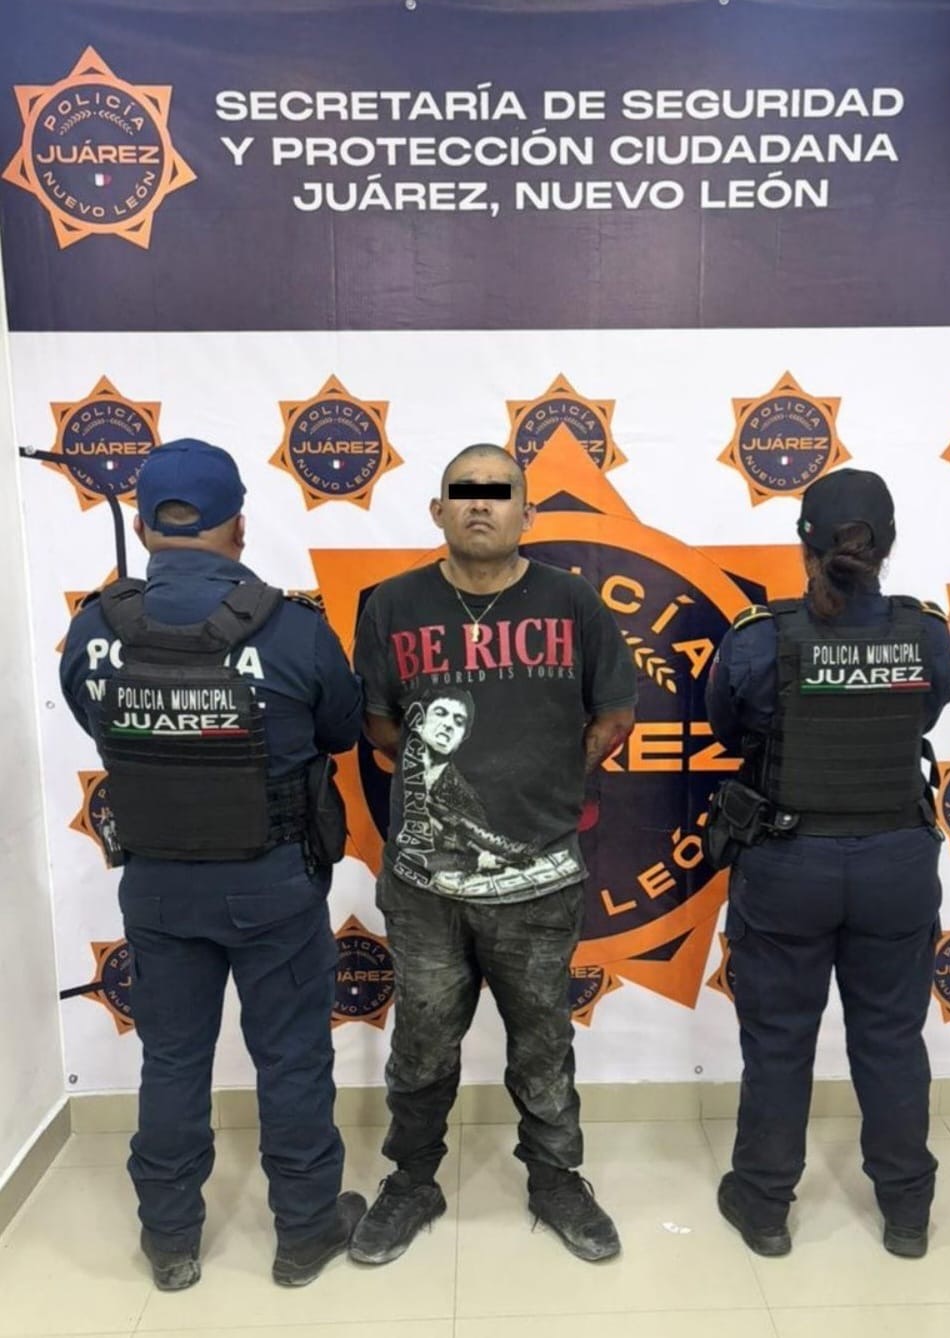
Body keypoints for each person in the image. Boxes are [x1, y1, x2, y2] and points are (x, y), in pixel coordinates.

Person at [59, 439, 366, 1291]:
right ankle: (304, 1233)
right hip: (273, 885)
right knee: (292, 1059)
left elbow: (98, 723)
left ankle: (170, 1243)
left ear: (145, 527)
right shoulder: (293, 629)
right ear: (238, 525)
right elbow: (342, 730)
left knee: (171, 1061)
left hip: (157, 888)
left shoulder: (94, 630)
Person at [351, 443, 636, 1265]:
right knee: (421, 1045)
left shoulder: (572, 602)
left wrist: (554, 780)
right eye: (464, 493)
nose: (481, 505)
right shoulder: (393, 605)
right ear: (438, 510)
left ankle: (555, 1180)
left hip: (539, 881)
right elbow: (380, 725)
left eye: (499, 492)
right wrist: (443, 784)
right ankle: (412, 1181)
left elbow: (615, 713)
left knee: (543, 1044)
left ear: (527, 513)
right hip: (424, 890)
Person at [704, 468, 950, 1261]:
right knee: (891, 1039)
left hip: (789, 864)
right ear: (888, 545)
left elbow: (727, 728)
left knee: (779, 1040)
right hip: (896, 864)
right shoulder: (926, 632)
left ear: (803, 544)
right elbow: (927, 711)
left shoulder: (759, 636)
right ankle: (907, 1215)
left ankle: (763, 1206)